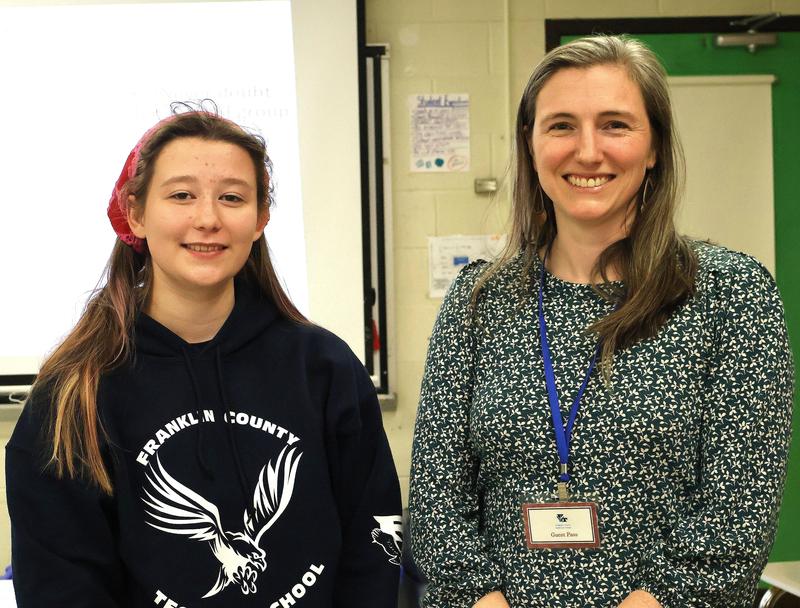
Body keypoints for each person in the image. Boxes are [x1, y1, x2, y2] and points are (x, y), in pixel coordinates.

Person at [409, 35, 793, 608]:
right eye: (561, 125)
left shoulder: (729, 295)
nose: (587, 151)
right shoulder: (478, 301)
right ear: (531, 145)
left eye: (615, 124)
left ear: (655, 146)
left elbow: (738, 507)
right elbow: (438, 497)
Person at [6, 108, 403, 608]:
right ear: (135, 214)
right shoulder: (74, 390)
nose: (208, 219)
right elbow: (60, 583)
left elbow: (372, 545)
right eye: (181, 195)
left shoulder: (324, 368)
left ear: (259, 219)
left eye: (232, 198)